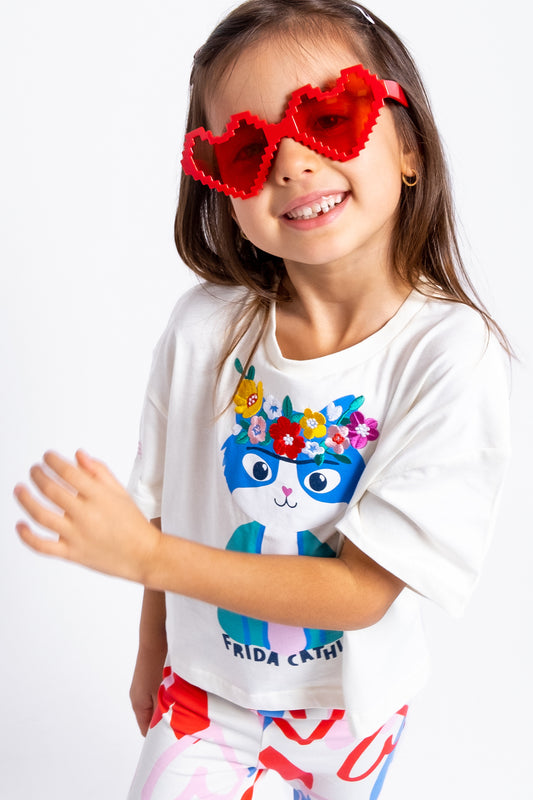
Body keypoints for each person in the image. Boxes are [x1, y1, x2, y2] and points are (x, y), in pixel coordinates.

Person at [14, 1, 511, 798]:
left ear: (408, 146)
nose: (291, 164)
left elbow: (360, 591)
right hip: (205, 700)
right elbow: (166, 511)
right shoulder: (203, 330)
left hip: (355, 715)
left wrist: (147, 559)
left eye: (329, 117)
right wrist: (153, 651)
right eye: (249, 150)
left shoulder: (447, 354)